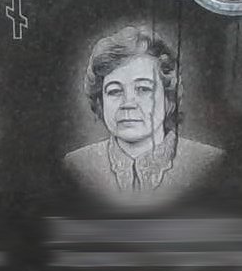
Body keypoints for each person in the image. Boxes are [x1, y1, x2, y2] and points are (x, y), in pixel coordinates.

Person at [63, 23, 224, 208]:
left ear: (168, 98)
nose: (128, 103)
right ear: (101, 100)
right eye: (114, 91)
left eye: (143, 89)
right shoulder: (76, 166)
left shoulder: (210, 163)